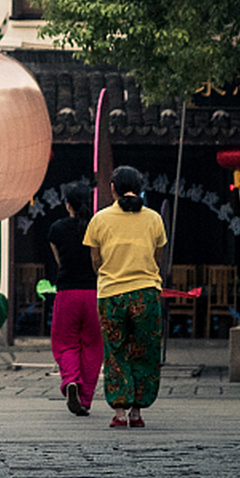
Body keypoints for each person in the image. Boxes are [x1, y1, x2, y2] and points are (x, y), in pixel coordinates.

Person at [83, 165, 168, 427]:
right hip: (146, 293)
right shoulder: (154, 218)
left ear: (113, 189)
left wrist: (112, 272)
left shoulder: (99, 219)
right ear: (140, 187)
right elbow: (158, 258)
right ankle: (137, 413)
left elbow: (95, 261)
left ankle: (119, 413)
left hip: (111, 294)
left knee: (115, 351)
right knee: (145, 351)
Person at [46, 184, 102, 416]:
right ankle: (85, 398)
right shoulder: (97, 227)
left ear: (67, 204)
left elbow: (60, 261)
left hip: (67, 293)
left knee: (65, 342)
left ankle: (71, 380)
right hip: (92, 293)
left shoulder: (57, 228)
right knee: (92, 346)